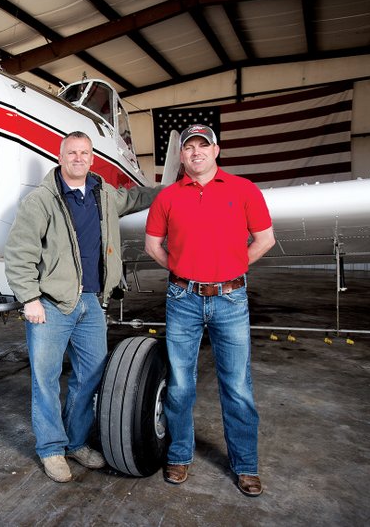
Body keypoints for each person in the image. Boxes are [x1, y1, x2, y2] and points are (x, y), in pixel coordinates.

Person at [5, 131, 161, 483]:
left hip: (92, 302)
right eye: (71, 153)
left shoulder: (102, 194)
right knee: (45, 381)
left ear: (92, 158)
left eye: (84, 153)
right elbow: (19, 253)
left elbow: (135, 197)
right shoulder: (41, 201)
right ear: (60, 158)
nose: (78, 158)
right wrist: (29, 298)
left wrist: (173, 188)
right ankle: (51, 449)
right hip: (51, 304)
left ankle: (75, 442)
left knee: (89, 377)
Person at [144, 124, 276, 497]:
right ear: (182, 155)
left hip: (231, 300)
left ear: (216, 151)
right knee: (181, 385)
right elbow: (154, 246)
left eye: (204, 146)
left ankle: (246, 465)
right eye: (189, 148)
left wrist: (233, 270)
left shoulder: (243, 190)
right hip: (182, 299)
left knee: (237, 386)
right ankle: (180, 454)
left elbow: (265, 239)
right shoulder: (168, 197)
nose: (196, 153)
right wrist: (182, 270)